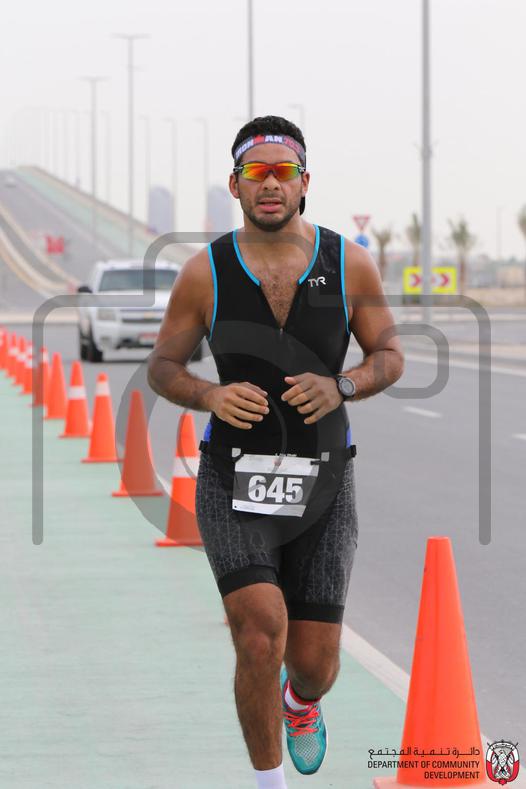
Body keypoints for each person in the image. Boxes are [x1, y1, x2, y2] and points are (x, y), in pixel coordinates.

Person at [148, 115, 404, 789]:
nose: (270, 184)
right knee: (260, 630)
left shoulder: (349, 263)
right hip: (233, 480)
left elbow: (389, 354)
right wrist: (209, 394)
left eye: (283, 172)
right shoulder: (205, 272)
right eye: (255, 172)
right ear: (235, 185)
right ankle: (270, 783)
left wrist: (342, 384)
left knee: (315, 664)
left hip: (325, 483)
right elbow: (163, 366)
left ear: (304, 182)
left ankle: (300, 702)